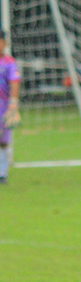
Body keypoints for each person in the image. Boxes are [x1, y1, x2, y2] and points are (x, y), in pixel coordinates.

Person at [0, 29, 22, 184]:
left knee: (3, 140)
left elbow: (14, 83)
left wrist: (13, 104)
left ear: (4, 43)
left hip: (3, 106)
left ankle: (3, 172)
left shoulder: (8, 62)